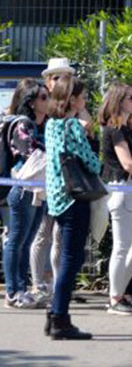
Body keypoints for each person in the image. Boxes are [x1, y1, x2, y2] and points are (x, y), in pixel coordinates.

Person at [42, 77, 103, 340]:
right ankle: (60, 318)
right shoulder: (73, 127)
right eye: (83, 97)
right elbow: (92, 163)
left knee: (66, 256)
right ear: (72, 99)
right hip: (75, 196)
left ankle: (54, 312)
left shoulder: (52, 125)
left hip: (57, 196)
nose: (85, 100)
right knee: (71, 259)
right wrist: (90, 135)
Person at [97, 82, 132, 315]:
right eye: (131, 98)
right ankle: (115, 298)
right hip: (122, 189)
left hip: (130, 191)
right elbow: (127, 163)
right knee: (122, 246)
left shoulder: (126, 127)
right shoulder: (115, 128)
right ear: (119, 100)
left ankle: (117, 291)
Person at [3, 79, 49, 309]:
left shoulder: (42, 125)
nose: (48, 100)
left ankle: (22, 288)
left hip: (38, 191)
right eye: (43, 97)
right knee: (17, 241)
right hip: (22, 190)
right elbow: (28, 151)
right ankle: (13, 292)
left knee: (26, 241)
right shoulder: (23, 124)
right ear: (30, 102)